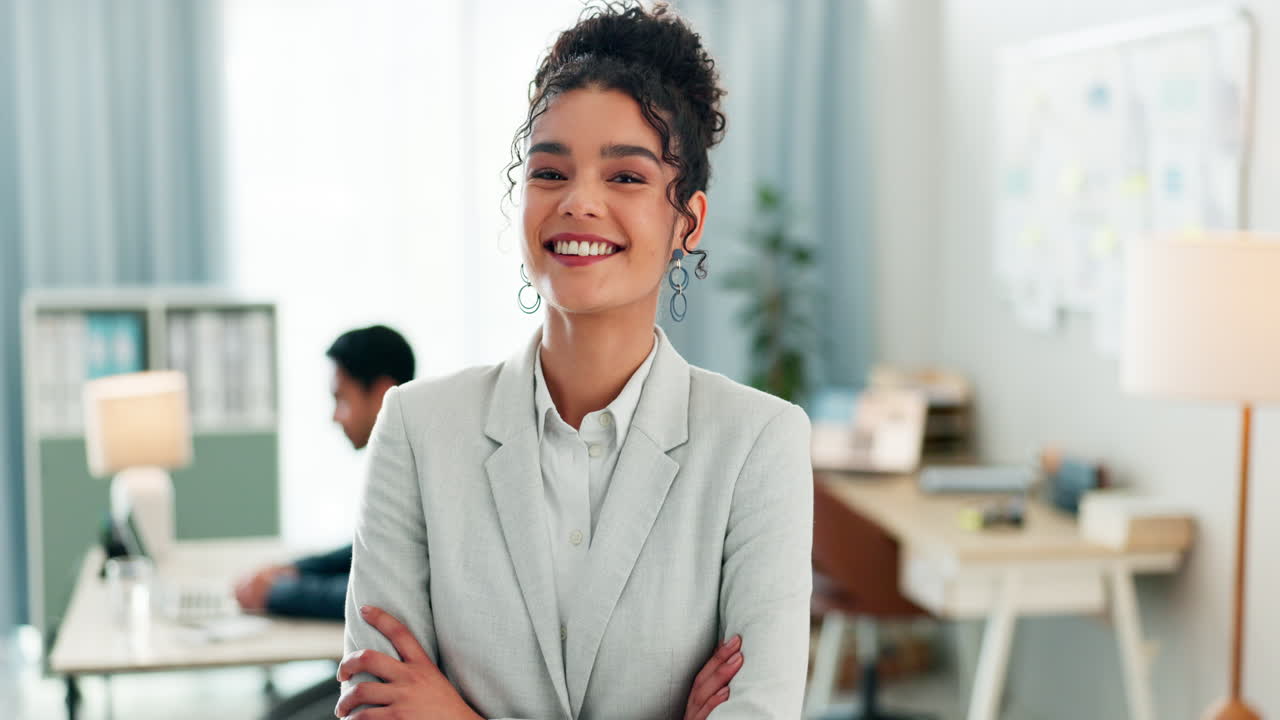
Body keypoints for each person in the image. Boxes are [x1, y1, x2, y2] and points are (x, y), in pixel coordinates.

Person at [336, 4, 813, 719]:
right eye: (551, 172)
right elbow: (375, 702)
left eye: (625, 177)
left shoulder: (757, 443)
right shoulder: (416, 427)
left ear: (688, 220)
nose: (580, 202)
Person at [234, 325, 416, 619]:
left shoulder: (421, 474)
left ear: (384, 394)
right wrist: (293, 570)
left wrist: (276, 592)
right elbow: (366, 551)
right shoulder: (401, 461)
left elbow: (376, 594)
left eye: (341, 399)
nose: (335, 417)